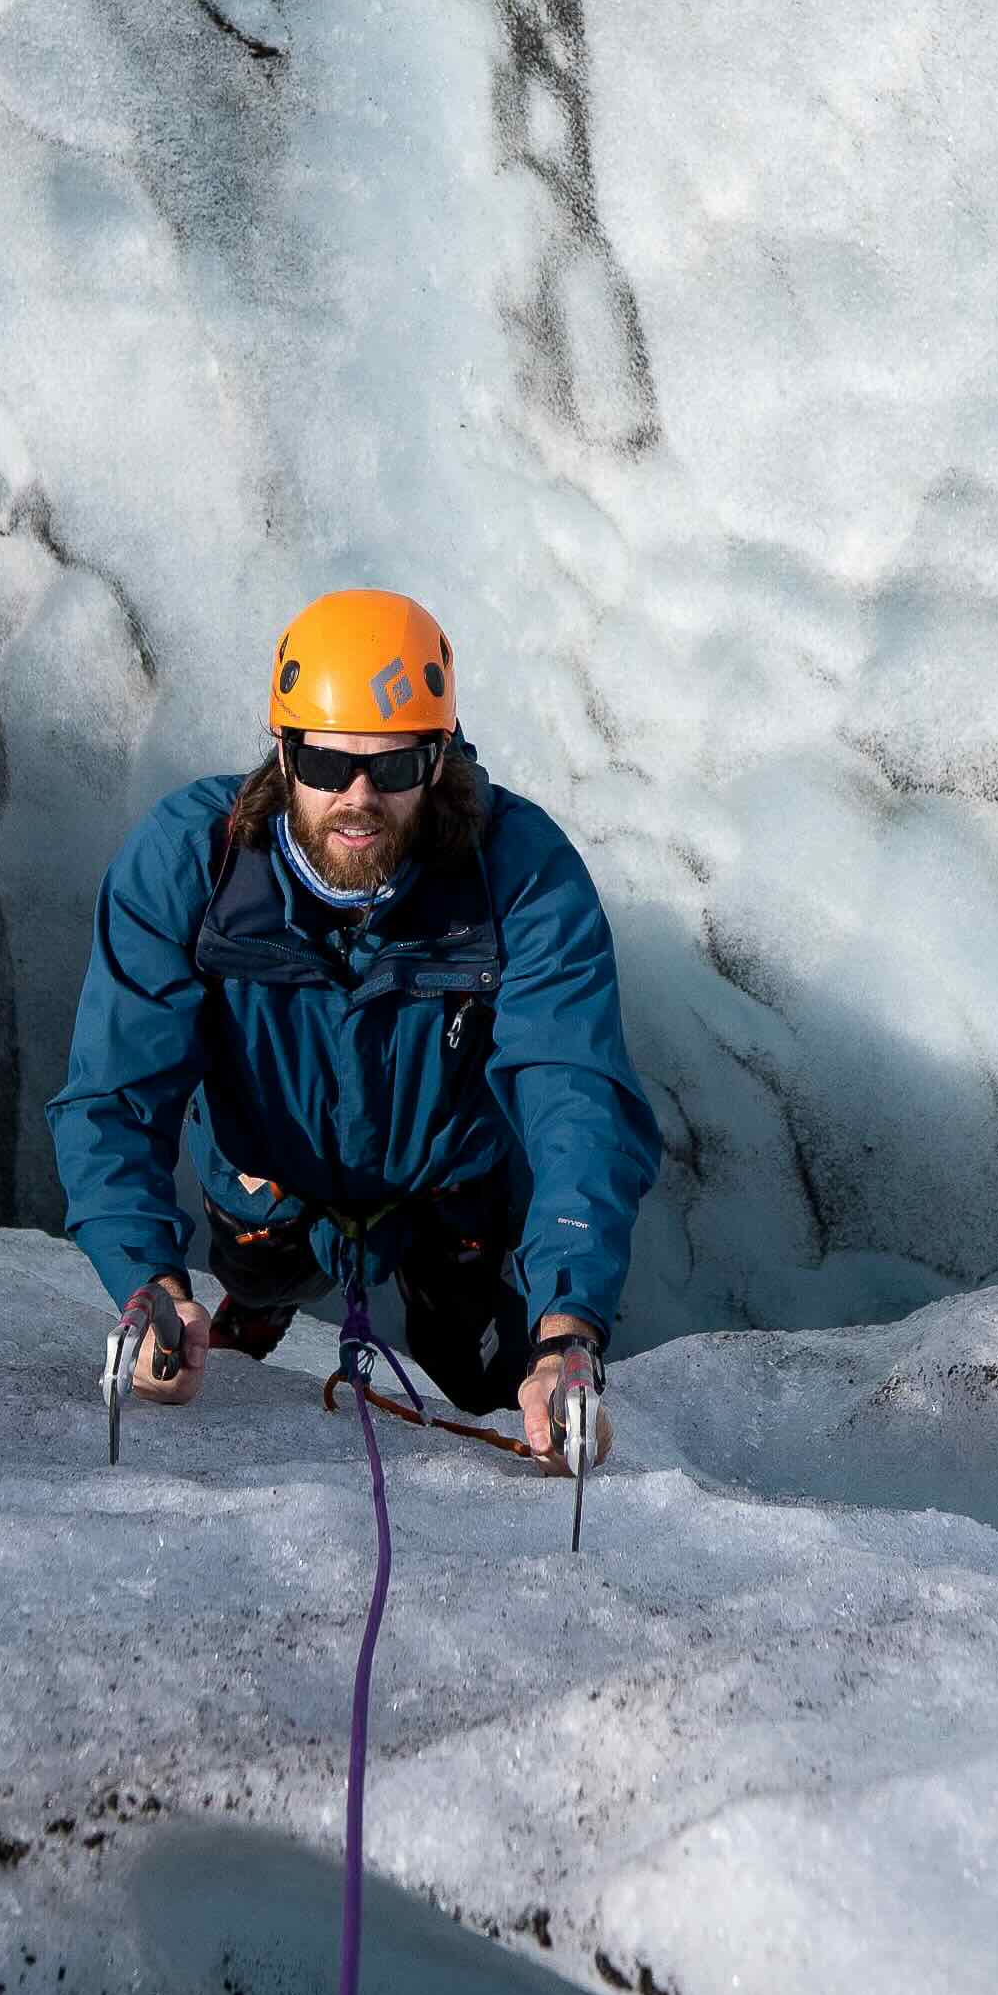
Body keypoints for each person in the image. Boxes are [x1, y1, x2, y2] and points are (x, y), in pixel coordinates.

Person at [53, 585, 660, 1470]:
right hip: (266, 1181)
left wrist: (566, 1331)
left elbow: (578, 1094)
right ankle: (255, 1310)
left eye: (397, 767)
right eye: (330, 765)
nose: (359, 796)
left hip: (446, 1189)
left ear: (440, 756)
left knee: (475, 1364)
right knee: (261, 1275)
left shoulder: (520, 876)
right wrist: (147, 1281)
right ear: (285, 750)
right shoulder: (191, 862)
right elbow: (114, 1091)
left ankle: (453, 1346)